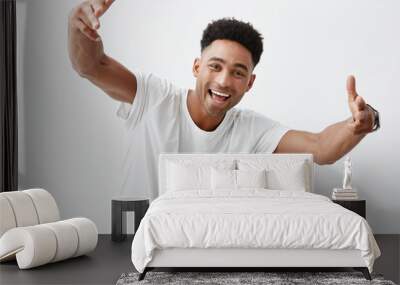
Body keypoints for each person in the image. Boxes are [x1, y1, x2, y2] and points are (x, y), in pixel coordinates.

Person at [68, 0, 380, 199]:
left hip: (201, 251)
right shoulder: (154, 97)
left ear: (249, 83)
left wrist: (359, 124)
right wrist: (78, 25)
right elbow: (92, 66)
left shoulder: (252, 129)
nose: (222, 81)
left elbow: (320, 148)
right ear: (196, 67)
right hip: (132, 249)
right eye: (215, 66)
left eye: (237, 72)